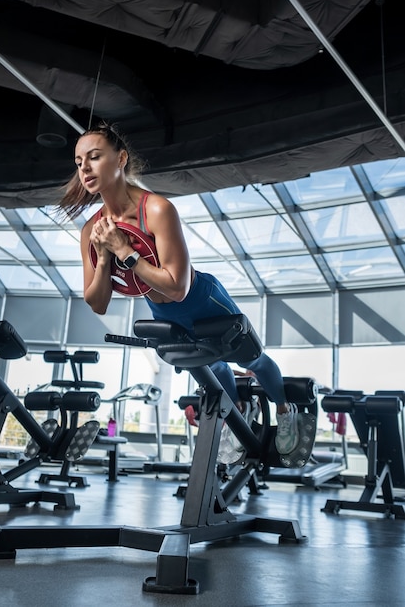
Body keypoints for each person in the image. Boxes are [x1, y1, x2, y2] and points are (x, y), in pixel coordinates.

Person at [57, 121, 300, 460]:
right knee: (214, 369)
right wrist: (104, 259)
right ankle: (234, 424)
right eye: (78, 161)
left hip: (203, 299)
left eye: (94, 157)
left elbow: (178, 288)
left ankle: (287, 413)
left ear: (121, 158)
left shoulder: (157, 209)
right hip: (163, 311)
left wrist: (125, 252)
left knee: (251, 359)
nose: (84, 167)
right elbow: (97, 302)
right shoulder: (91, 230)